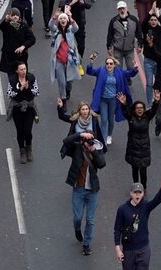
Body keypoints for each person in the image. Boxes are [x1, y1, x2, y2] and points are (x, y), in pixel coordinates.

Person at [61, 101, 107, 256]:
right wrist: (80, 134)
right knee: (77, 218)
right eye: (86, 140)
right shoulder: (77, 149)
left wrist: (93, 150)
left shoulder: (95, 151)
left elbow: (102, 164)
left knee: (91, 220)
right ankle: (77, 229)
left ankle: (86, 244)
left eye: (90, 140)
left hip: (92, 190)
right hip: (78, 189)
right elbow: (66, 141)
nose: (87, 142)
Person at [85, 51, 138, 147]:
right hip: (103, 100)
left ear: (114, 65)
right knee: (104, 119)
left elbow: (130, 74)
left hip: (113, 100)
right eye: (107, 63)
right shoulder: (101, 70)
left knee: (110, 119)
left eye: (111, 63)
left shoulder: (119, 72)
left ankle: (109, 135)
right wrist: (91, 62)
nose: (108, 65)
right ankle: (103, 139)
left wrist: (135, 68)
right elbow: (90, 71)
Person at [114, 179, 161, 269]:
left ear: (143, 194)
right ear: (131, 193)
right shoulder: (122, 209)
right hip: (128, 251)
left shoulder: (146, 206)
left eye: (139, 192)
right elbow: (117, 229)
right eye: (135, 192)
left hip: (143, 249)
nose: (137, 194)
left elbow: (157, 200)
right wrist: (117, 248)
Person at [117, 92, 158, 187]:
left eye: (141, 108)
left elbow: (154, 110)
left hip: (144, 148)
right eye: (137, 108)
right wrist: (123, 103)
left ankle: (144, 187)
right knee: (135, 170)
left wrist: (156, 101)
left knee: (143, 171)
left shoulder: (147, 117)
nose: (139, 110)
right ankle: (136, 187)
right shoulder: (131, 118)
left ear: (144, 109)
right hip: (133, 148)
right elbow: (125, 112)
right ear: (134, 110)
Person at [7, 62, 39, 163]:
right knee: (20, 131)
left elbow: (36, 92)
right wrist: (20, 89)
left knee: (27, 130)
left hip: (29, 108)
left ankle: (29, 148)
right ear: (17, 71)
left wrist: (27, 88)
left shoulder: (31, 78)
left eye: (25, 69)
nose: (24, 71)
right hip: (18, 108)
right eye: (21, 69)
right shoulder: (12, 79)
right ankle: (22, 151)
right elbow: (9, 93)